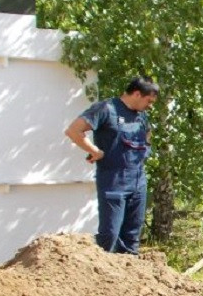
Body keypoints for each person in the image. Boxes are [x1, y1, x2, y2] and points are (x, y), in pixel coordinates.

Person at [65, 76, 159, 254]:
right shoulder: (106, 109)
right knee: (110, 235)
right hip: (113, 182)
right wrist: (95, 151)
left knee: (132, 237)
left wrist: (146, 149)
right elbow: (73, 130)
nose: (150, 105)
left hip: (138, 182)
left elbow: (147, 134)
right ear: (137, 94)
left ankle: (129, 277)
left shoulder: (141, 115)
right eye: (149, 101)